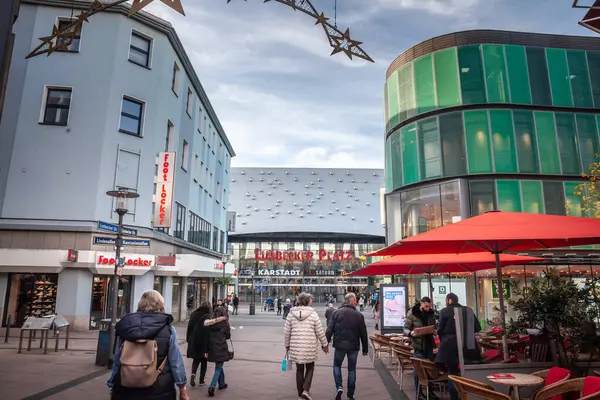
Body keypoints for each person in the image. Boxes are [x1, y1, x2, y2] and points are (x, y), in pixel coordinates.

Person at [107, 290, 189, 400]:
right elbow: (176, 361)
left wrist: (112, 383)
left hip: (126, 388)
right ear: (160, 305)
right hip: (160, 389)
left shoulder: (127, 326)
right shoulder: (168, 329)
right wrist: (182, 387)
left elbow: (118, 359)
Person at [436, 293, 481, 400]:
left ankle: (455, 397)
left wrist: (445, 341)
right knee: (468, 371)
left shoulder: (444, 311)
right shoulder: (468, 310)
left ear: (450, 300)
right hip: (469, 346)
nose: (445, 302)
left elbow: (440, 330)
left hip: (450, 346)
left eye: (446, 300)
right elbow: (477, 327)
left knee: (452, 373)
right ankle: (469, 396)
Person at [284, 292, 328, 400]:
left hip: (296, 347)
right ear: (307, 301)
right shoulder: (313, 314)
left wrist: (287, 345)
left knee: (299, 369)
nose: (311, 302)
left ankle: (301, 394)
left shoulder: (291, 314)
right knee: (310, 367)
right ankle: (306, 390)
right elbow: (319, 331)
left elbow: (286, 332)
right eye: (311, 300)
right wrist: (325, 344)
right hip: (310, 347)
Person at [326, 293, 369, 400]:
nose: (356, 302)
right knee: (352, 370)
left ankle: (339, 387)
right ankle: (350, 394)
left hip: (340, 344)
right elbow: (363, 333)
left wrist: (325, 343)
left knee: (336, 365)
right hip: (353, 346)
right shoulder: (359, 315)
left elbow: (329, 329)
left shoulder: (336, 313)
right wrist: (365, 348)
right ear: (351, 301)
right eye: (355, 301)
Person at [404, 297, 436, 400]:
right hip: (418, 345)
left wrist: (434, 330)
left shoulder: (431, 313)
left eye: (429, 306)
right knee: (418, 370)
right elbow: (405, 328)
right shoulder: (412, 313)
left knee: (429, 370)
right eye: (426, 306)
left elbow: (434, 325)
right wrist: (410, 333)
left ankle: (429, 392)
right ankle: (419, 393)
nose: (427, 309)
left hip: (429, 345)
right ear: (421, 304)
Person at [204, 305, 231, 397]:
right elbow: (228, 336)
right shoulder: (225, 324)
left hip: (212, 347)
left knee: (219, 365)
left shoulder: (210, 324)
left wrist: (206, 350)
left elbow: (206, 338)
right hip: (221, 347)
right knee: (218, 367)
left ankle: (222, 383)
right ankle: (212, 387)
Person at [186, 301, 211, 387]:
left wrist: (188, 338)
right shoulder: (208, 316)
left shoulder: (194, 314)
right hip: (204, 341)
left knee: (196, 360)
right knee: (204, 361)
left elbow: (189, 327)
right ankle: (201, 380)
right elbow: (209, 330)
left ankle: (193, 375)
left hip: (194, 340)